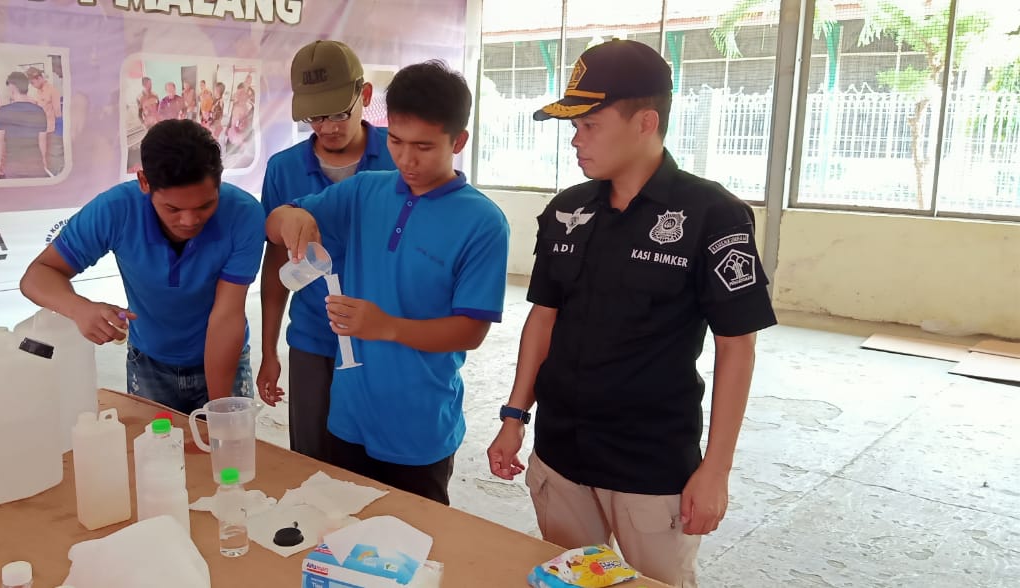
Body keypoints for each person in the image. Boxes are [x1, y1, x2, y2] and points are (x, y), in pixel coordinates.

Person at [485, 40, 778, 587]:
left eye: (590, 123)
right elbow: (543, 320)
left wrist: (715, 471)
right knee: (569, 579)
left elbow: (737, 345)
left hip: (651, 468)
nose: (575, 138)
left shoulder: (712, 215)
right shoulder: (567, 210)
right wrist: (513, 417)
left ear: (646, 121)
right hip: (561, 453)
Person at [265, 60, 509, 505]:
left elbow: (471, 331)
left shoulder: (483, 222)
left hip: (419, 423)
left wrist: (387, 326)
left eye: (424, 147)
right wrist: (293, 217)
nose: (407, 160)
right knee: (342, 529)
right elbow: (277, 221)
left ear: (459, 142)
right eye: (395, 141)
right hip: (350, 412)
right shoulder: (364, 192)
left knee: (416, 544)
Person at [20, 119, 262, 414]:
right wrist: (79, 308)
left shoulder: (244, 215)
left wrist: (220, 410)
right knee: (155, 450)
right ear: (144, 182)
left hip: (225, 359)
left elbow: (226, 317)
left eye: (205, 206)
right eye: (173, 209)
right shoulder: (116, 210)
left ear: (220, 182)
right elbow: (36, 276)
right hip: (148, 361)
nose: (189, 221)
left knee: (227, 451)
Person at [257, 40, 396, 462]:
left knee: (383, 458)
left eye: (339, 112)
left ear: (365, 96)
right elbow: (277, 262)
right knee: (312, 462)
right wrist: (268, 351)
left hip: (385, 335)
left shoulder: (399, 154)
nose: (328, 127)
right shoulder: (284, 168)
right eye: (315, 117)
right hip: (314, 337)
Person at [0, 71, 48, 179]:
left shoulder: (3, 111)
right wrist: (43, 160)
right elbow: (42, 140)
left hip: (13, 165)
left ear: (13, 87)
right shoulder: (39, 111)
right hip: (35, 164)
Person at [27, 67, 63, 173]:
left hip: (52, 131)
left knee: (55, 158)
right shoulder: (38, 92)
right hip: (42, 130)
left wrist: (58, 132)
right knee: (45, 158)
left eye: (33, 83)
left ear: (39, 78)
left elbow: (58, 112)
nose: (33, 86)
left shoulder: (52, 90)